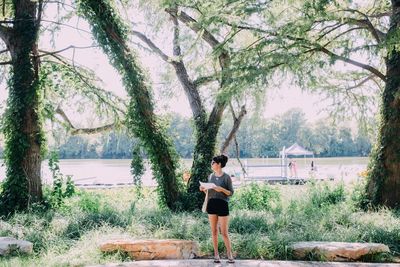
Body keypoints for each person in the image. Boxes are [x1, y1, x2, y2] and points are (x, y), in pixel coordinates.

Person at [199, 154, 235, 264]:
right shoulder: (211, 176)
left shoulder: (226, 177)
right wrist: (203, 189)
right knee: (213, 231)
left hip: (222, 205)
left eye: (213, 162)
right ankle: (216, 254)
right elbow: (209, 192)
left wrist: (221, 189)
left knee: (224, 232)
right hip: (211, 204)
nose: (211, 164)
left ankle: (229, 254)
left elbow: (230, 193)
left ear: (219, 164)